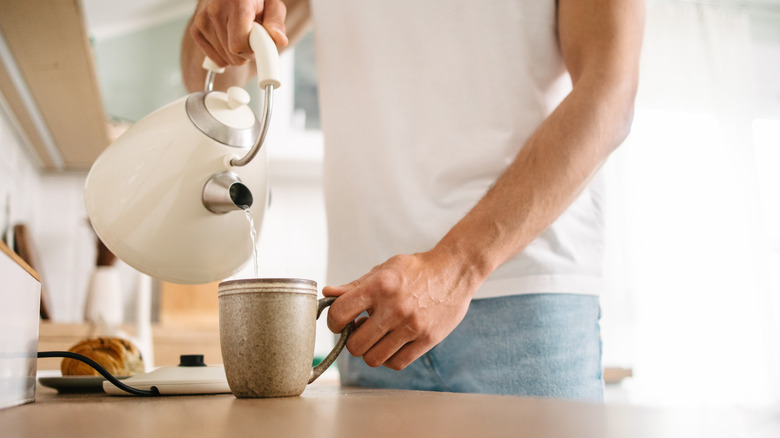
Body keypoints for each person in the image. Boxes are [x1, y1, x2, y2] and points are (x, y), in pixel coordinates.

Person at [182, 0, 645, 402]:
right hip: (371, 316)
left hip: (523, 303)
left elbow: (610, 90)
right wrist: (222, 24)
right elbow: (214, 84)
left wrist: (456, 268)